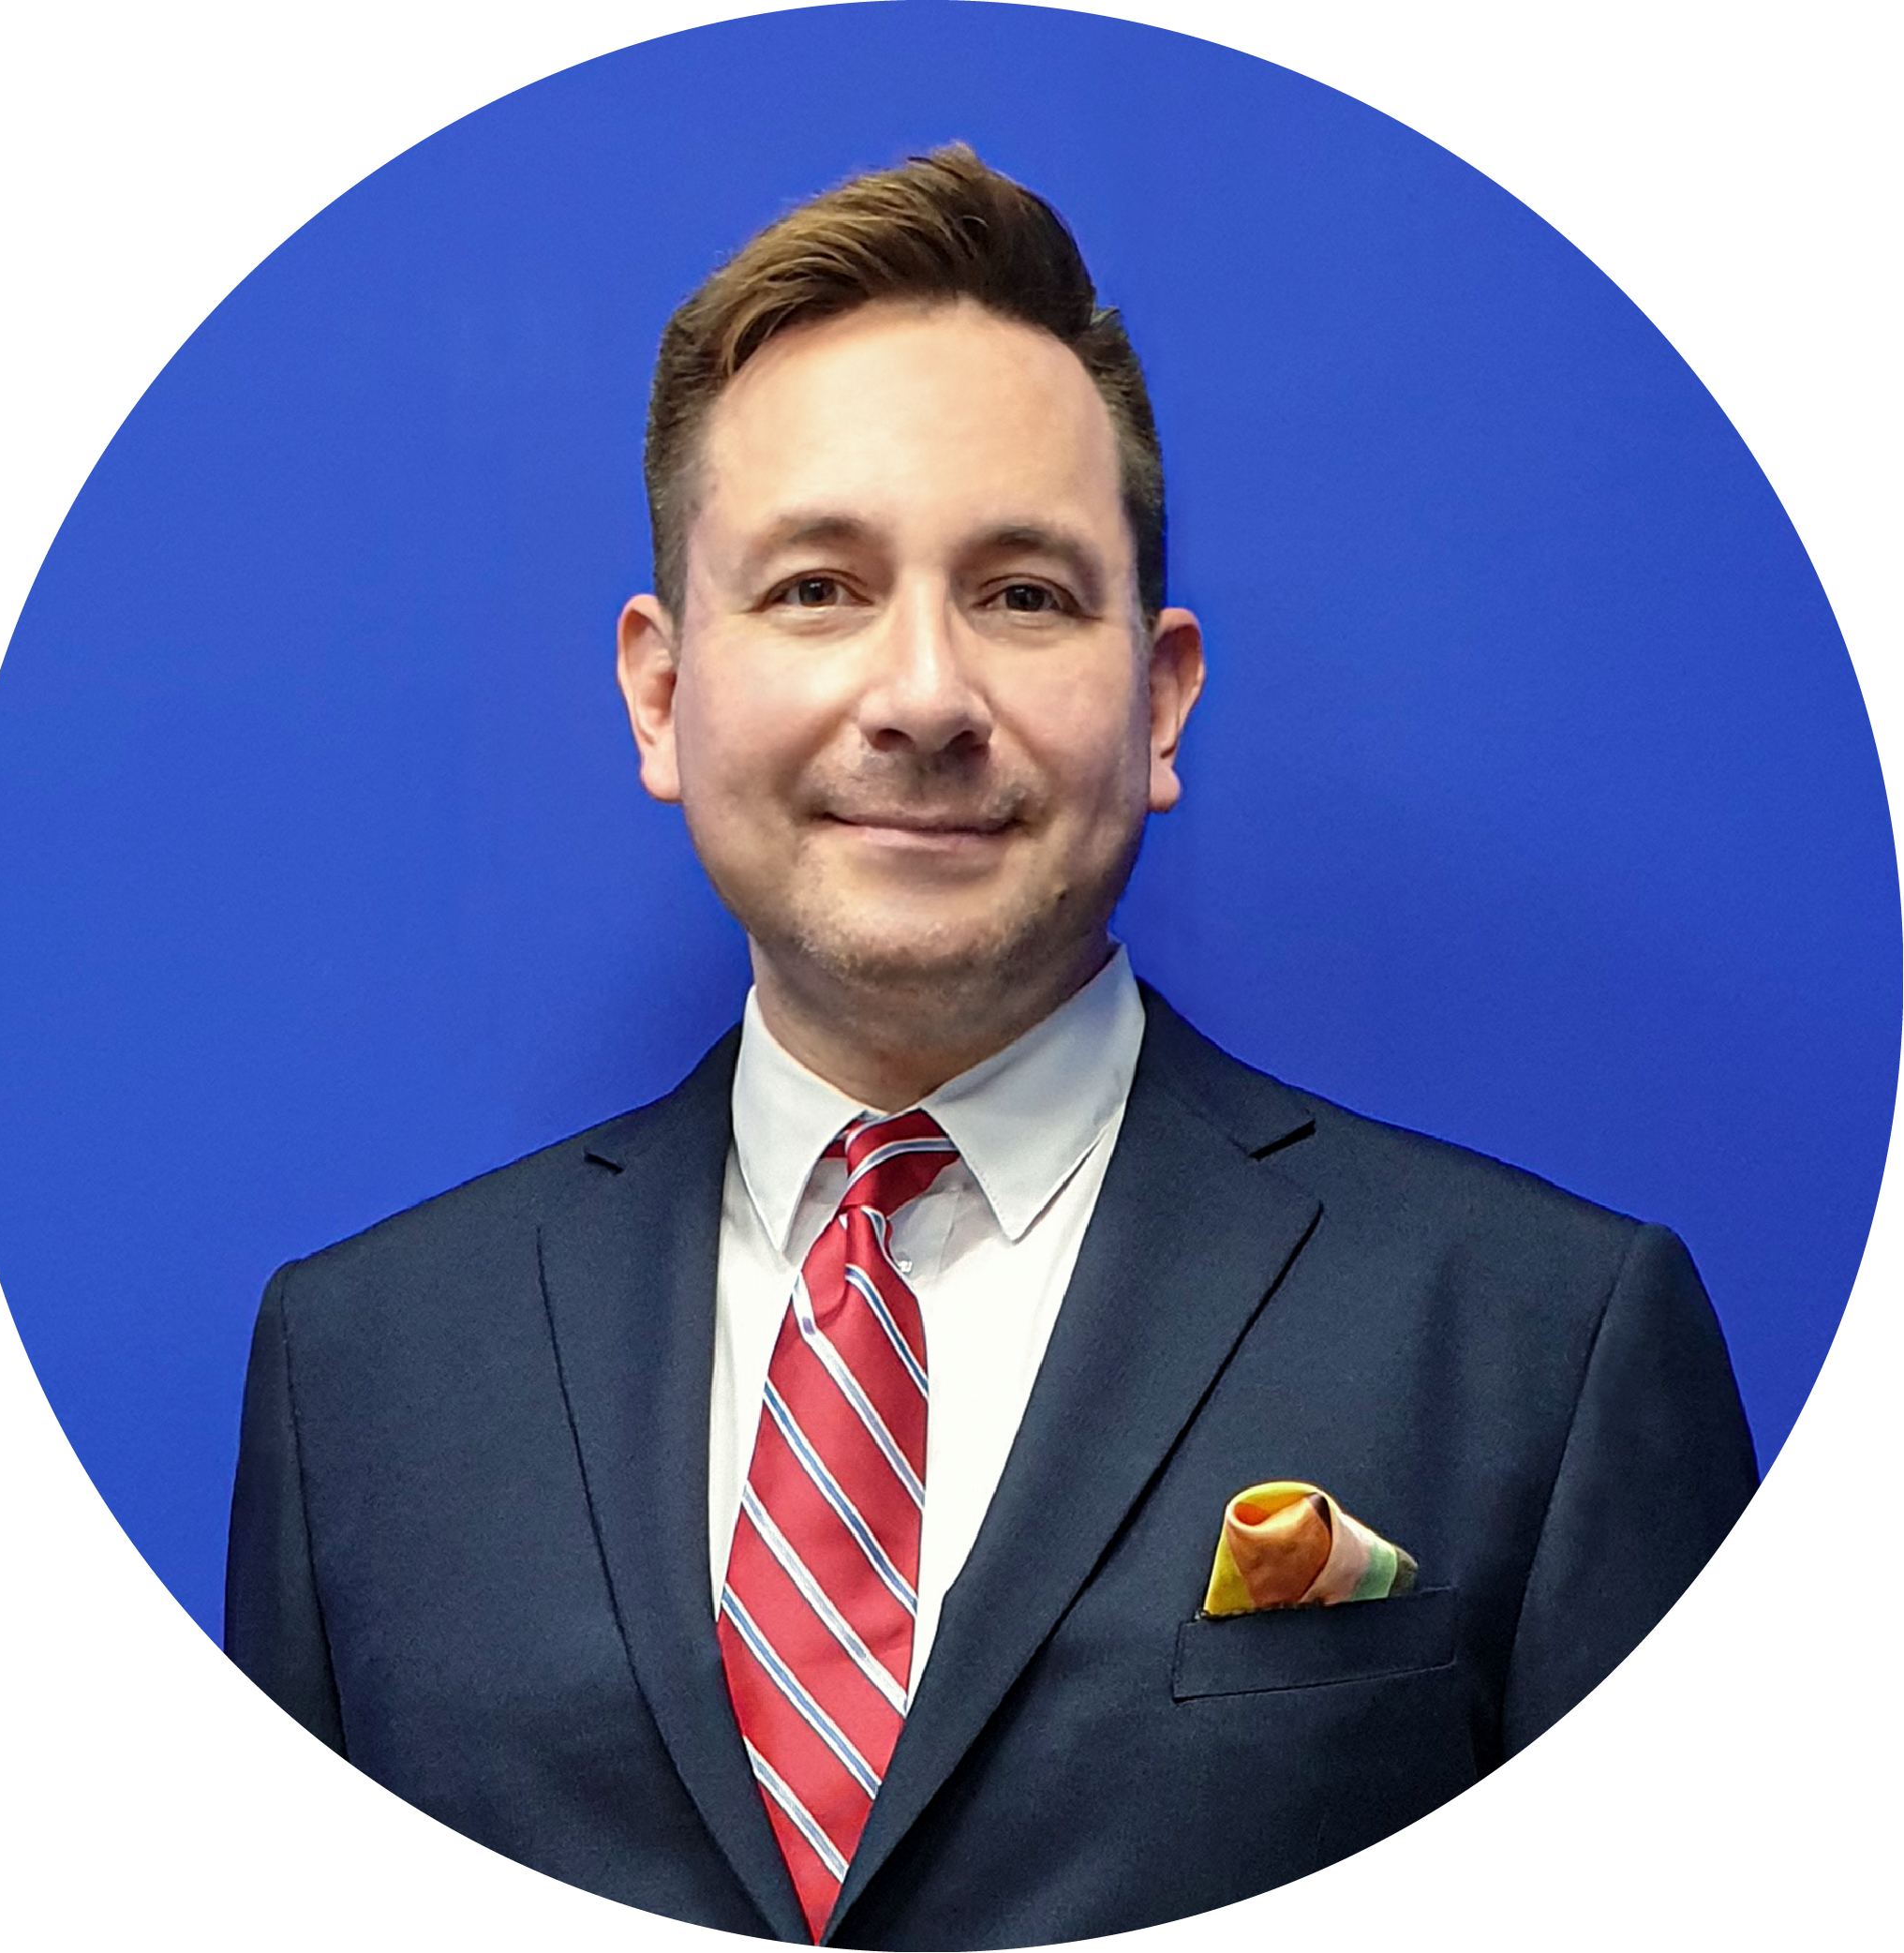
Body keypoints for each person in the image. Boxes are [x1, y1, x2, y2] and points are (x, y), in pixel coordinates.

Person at [225, 145, 1756, 1949]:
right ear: (661, 691)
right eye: (817, 587)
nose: (925, 697)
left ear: (1160, 702)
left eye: (1024, 594)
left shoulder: (1549, 1347)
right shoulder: (359, 1376)